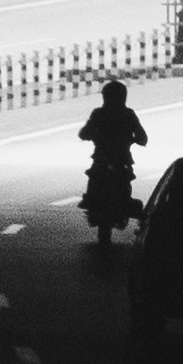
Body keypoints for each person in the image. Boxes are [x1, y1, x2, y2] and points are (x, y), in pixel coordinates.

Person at [78, 78, 149, 243]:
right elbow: (143, 138)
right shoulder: (127, 114)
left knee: (100, 180)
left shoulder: (99, 113)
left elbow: (83, 133)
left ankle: (96, 203)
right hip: (117, 160)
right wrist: (133, 139)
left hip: (107, 160)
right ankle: (114, 205)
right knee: (109, 181)